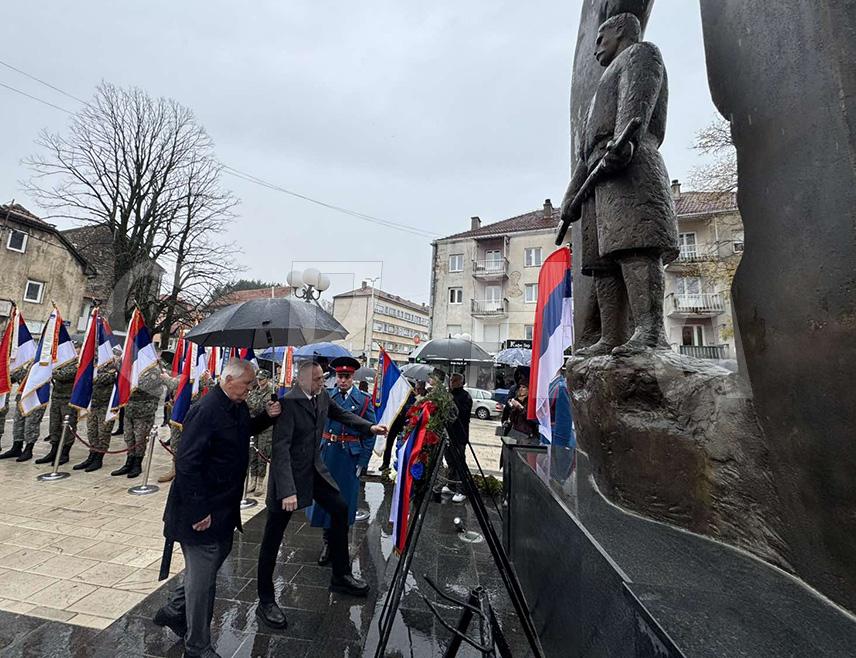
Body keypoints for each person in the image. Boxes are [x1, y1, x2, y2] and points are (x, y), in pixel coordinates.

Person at [559, 12, 678, 356]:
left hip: (629, 165)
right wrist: (572, 194)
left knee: (635, 245)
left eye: (601, 37)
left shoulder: (640, 54)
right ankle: (610, 335)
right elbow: (587, 151)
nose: (596, 46)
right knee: (602, 261)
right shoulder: (600, 86)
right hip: (598, 178)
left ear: (622, 32)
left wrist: (627, 140)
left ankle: (650, 331)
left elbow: (636, 104)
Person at [155, 359, 280, 658]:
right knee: (203, 585)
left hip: (223, 509)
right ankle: (197, 647)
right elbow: (187, 462)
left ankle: (174, 610)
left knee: (208, 567)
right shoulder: (206, 409)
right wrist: (199, 511)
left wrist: (267, 416)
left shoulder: (234, 405)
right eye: (247, 385)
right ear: (227, 379)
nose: (250, 390)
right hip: (199, 512)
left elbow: (241, 430)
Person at [256, 360, 387, 630]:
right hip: (288, 477)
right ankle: (265, 600)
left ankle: (340, 575)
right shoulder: (288, 404)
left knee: (339, 509)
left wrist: (369, 427)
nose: (322, 382)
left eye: (322, 378)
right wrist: (288, 491)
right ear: (302, 380)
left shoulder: (322, 395)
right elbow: (280, 451)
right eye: (317, 379)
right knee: (273, 537)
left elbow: (341, 414)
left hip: (314, 470)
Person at [310, 356, 376, 566]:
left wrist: (362, 462)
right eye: (340, 376)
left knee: (345, 501)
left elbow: (370, 432)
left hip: (349, 457)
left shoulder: (364, 400)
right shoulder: (327, 396)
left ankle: (340, 542)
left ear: (353, 377)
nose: (343, 381)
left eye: (347, 377)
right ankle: (327, 542)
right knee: (325, 500)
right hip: (328, 454)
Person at [111, 365, 164, 478]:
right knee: (129, 438)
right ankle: (129, 462)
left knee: (140, 439)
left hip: (144, 412)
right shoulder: (133, 366)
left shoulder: (153, 369)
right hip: (129, 409)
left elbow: (140, 385)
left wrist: (124, 377)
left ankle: (137, 464)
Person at [72, 349, 121, 472]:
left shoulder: (112, 365)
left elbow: (105, 378)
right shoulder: (93, 363)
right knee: (92, 432)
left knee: (103, 434)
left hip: (106, 406)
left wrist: (87, 375)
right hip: (93, 404)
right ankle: (92, 455)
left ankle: (99, 458)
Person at [36, 359, 79, 466]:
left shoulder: (76, 364)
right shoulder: (59, 362)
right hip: (56, 398)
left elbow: (63, 375)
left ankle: (64, 453)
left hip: (68, 400)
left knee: (68, 427)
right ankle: (53, 451)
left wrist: (49, 370)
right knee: (54, 426)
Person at [443, 373, 473, 504]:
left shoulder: (465, 396)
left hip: (459, 434)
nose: (452, 382)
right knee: (450, 461)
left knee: (460, 461)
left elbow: (463, 414)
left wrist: (452, 401)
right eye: (451, 380)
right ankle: (451, 485)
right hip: (448, 433)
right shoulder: (449, 394)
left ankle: (462, 489)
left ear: (461, 382)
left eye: (455, 380)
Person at [246, 369, 275, 493]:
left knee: (262, 454)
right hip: (254, 425)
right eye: (258, 379)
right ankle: (252, 479)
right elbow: (248, 404)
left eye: (262, 379)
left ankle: (260, 482)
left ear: (267, 379)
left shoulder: (271, 392)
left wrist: (253, 406)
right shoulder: (254, 391)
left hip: (266, 428)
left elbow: (262, 408)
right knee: (252, 453)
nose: (259, 381)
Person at [0, 367, 33, 460]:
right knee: (18, 422)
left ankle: (29, 449)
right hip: (21, 394)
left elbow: (30, 375)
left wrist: (15, 370)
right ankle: (16, 447)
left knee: (31, 424)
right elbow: (14, 377)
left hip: (34, 394)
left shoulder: (37, 358)